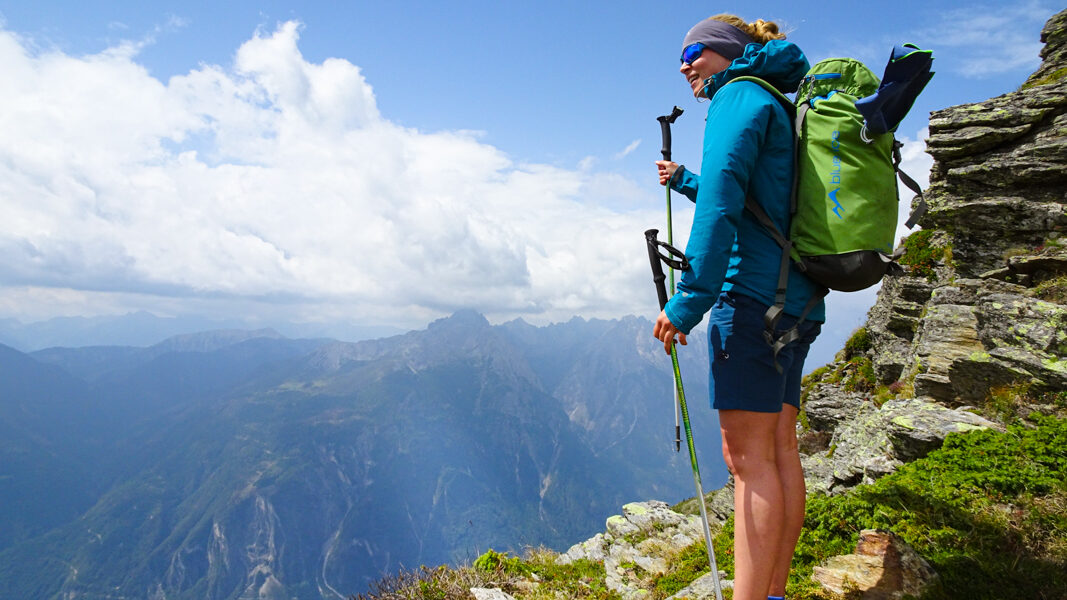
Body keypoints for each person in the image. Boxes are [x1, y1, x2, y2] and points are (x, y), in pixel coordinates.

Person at [651, 14, 825, 600]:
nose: (684, 66)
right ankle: (773, 593)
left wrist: (689, 299)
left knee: (747, 460)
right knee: (779, 450)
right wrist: (685, 180)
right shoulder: (776, 100)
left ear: (726, 51)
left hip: (750, 301)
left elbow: (723, 203)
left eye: (693, 53)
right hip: (798, 302)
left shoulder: (737, 97)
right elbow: (760, 199)